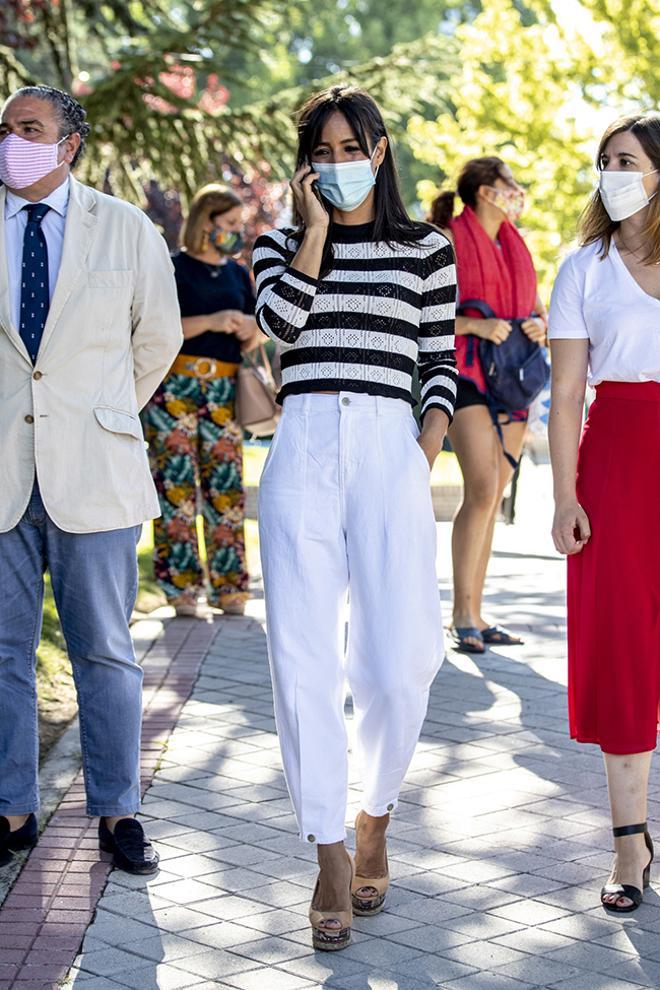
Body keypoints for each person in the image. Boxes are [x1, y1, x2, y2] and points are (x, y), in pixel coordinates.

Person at [252, 85, 457, 950]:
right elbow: (280, 324)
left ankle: (376, 812)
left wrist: (420, 454)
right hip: (301, 444)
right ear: (305, 163)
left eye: (351, 147)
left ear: (380, 149)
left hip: (389, 445)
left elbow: (440, 364)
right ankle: (329, 849)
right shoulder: (278, 246)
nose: (337, 164)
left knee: (401, 657)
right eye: (321, 151)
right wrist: (314, 232)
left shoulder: (427, 248)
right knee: (302, 656)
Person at [0, 86, 183, 871]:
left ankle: (118, 811)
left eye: (28, 129)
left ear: (68, 144)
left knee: (106, 651)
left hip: (98, 473)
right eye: (5, 129)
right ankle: (12, 809)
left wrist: (104, 412)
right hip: (4, 468)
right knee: (3, 652)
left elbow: (159, 338)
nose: (12, 140)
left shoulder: (126, 227)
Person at [548, 112, 660, 913]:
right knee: (624, 652)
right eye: (605, 160)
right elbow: (562, 395)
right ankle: (629, 845)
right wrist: (564, 495)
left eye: (627, 159)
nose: (611, 170)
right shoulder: (584, 265)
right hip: (616, 464)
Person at [429, 159, 547, 654]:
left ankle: (476, 612)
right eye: (508, 185)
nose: (516, 192)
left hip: (514, 377)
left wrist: (539, 325)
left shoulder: (517, 246)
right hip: (464, 374)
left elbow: (535, 308)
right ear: (483, 191)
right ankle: (460, 615)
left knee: (494, 495)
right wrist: (475, 326)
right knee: (481, 488)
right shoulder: (447, 240)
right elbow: (421, 316)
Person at [144, 184, 261, 619]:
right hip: (175, 386)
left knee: (225, 489)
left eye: (238, 225)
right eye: (228, 224)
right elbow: (155, 328)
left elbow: (256, 333)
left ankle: (230, 586)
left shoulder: (237, 273)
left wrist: (248, 327)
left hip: (225, 390)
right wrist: (212, 320)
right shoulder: (172, 268)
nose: (235, 232)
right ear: (205, 221)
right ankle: (181, 588)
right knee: (175, 489)